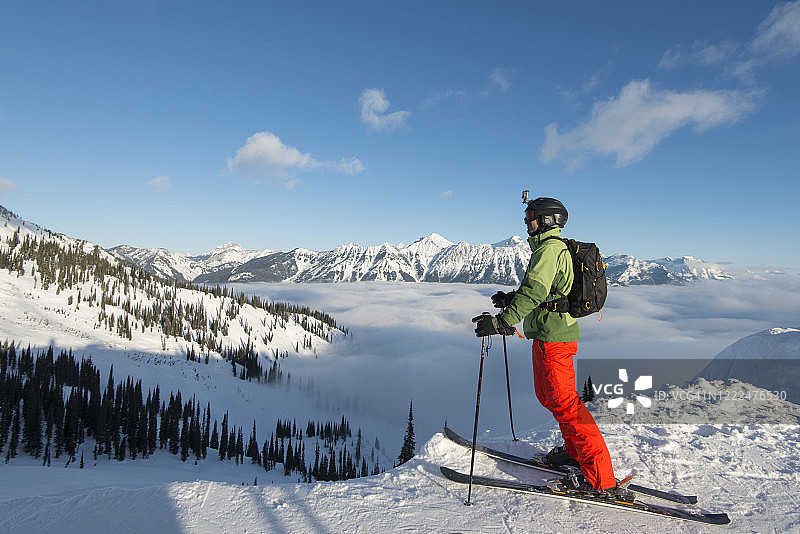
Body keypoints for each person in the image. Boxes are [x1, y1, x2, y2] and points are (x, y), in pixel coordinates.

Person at [471, 196, 621, 497]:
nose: (527, 222)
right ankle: (575, 453)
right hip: (546, 336)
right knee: (550, 399)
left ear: (549, 220)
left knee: (566, 405)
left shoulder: (550, 248)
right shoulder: (546, 248)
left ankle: (599, 478)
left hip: (556, 339)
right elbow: (545, 291)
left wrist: (504, 321)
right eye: (527, 216)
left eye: (532, 217)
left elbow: (537, 289)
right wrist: (512, 299)